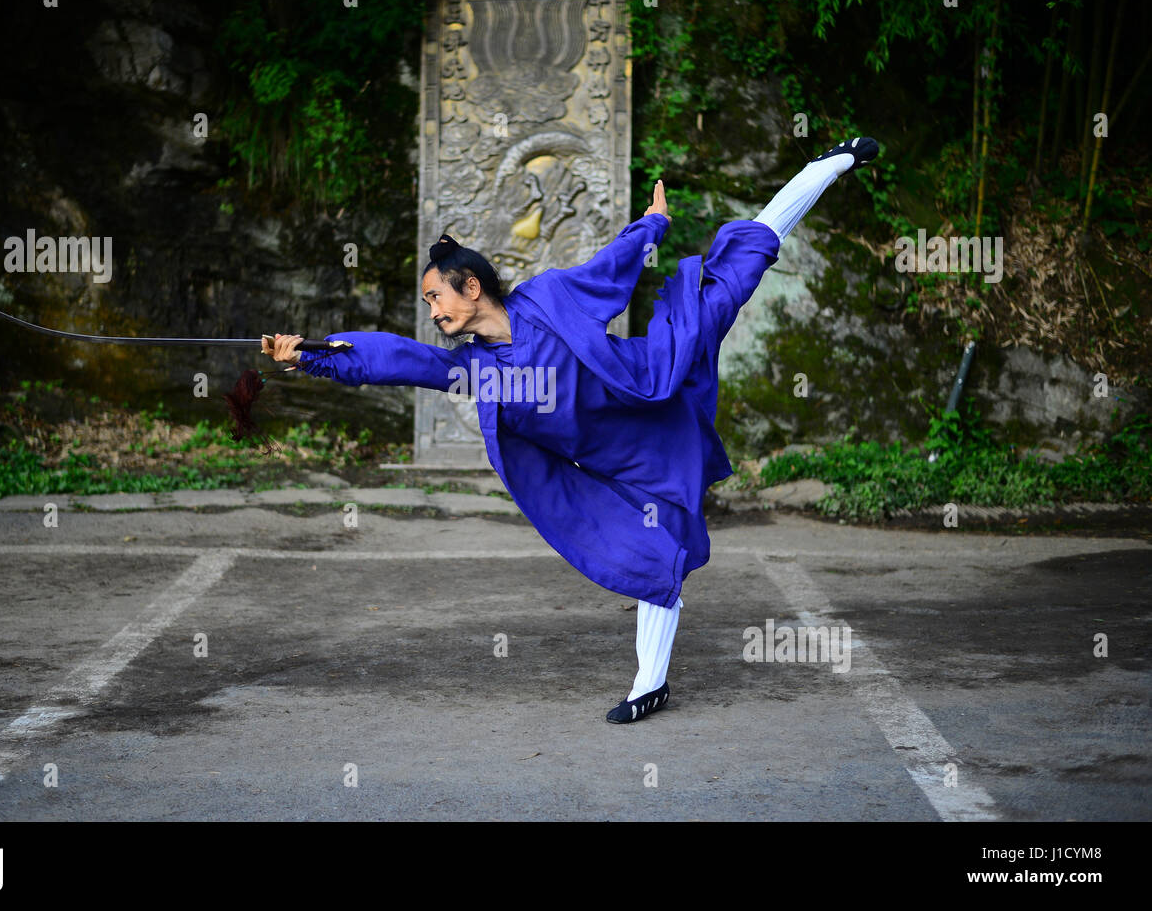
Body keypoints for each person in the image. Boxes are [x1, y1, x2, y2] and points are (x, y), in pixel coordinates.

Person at [264, 137, 879, 724]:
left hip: (650, 380)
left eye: (435, 297)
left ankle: (826, 168)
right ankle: (651, 684)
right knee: (650, 547)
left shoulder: (546, 298)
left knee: (733, 279)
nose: (432, 311)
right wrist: (311, 356)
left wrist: (652, 227)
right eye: (427, 304)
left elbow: (609, 271)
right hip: (625, 458)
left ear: (471, 286)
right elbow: (395, 359)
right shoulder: (474, 369)